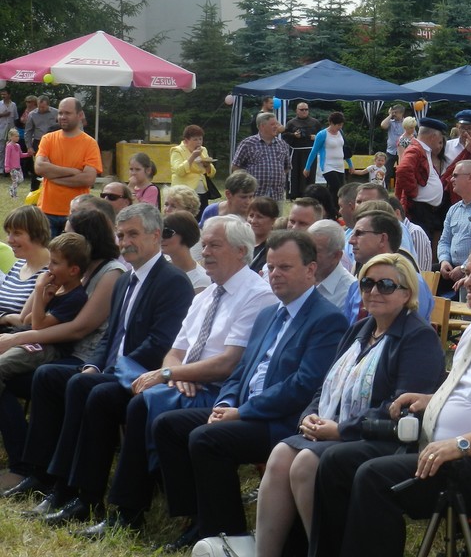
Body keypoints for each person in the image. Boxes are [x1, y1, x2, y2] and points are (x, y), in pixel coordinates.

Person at [308, 241, 471, 557]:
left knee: (374, 477)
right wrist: (431, 399)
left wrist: (459, 445)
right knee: (336, 462)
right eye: (467, 272)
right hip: (452, 454)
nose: (466, 280)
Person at [68, 215, 278, 537]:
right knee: (104, 395)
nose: (204, 251)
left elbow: (229, 363)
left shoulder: (257, 295)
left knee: (142, 405)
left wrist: (169, 374)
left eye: (214, 245)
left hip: (219, 390)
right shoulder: (206, 295)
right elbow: (175, 349)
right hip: (184, 383)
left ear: (240, 251)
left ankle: (130, 511)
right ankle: (84, 495)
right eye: (203, 244)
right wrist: (173, 374)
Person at [152, 230, 348, 548]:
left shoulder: (328, 319)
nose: (274, 275)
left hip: (282, 421)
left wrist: (241, 412)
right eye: (270, 267)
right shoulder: (269, 313)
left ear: (311, 270)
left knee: (207, 439)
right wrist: (227, 400)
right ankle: (196, 518)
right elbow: (242, 370)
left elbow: (303, 385)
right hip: (244, 409)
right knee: (169, 424)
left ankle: (227, 534)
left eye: (285, 267)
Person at [8, 205, 193, 521]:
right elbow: (110, 337)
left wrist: (109, 370)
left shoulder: (171, 281)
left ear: (155, 235)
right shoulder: (126, 281)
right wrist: (95, 365)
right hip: (113, 370)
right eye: (121, 235)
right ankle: (44, 475)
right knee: (50, 376)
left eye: (133, 234)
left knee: (86, 387)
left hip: (143, 375)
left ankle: (82, 495)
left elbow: (161, 343)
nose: (125, 242)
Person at [254, 252, 445, 557]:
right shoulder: (360, 330)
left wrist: (341, 430)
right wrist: (310, 416)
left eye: (385, 285)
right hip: (336, 428)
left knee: (305, 463)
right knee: (280, 456)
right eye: (367, 283)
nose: (373, 291)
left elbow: (400, 407)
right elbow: (326, 385)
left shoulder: (418, 338)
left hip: (386, 438)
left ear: (407, 293)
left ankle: (325, 550)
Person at [0, 233, 89, 394]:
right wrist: (44, 299)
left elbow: (37, 325)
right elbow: (27, 321)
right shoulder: (57, 289)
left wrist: (39, 287)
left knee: (1, 366)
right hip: (29, 337)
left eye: (54, 263)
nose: (49, 268)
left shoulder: (76, 297)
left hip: (46, 348)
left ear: (73, 270)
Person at [35, 97, 102, 236]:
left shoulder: (90, 144)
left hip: (77, 214)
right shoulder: (48, 139)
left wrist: (52, 176)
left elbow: (88, 179)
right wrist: (73, 171)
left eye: (67, 113)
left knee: (73, 257)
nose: (62, 117)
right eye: (60, 113)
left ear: (80, 115)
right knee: (47, 256)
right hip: (47, 211)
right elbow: (40, 168)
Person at [394, 117, 447, 243]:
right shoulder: (416, 149)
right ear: (433, 137)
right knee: (420, 243)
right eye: (439, 140)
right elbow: (403, 170)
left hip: (425, 209)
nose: (440, 144)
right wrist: (413, 192)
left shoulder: (422, 150)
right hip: (420, 210)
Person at [438, 160, 471, 288]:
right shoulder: (453, 209)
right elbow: (444, 241)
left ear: (470, 177)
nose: (451, 179)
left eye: (455, 175)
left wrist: (464, 267)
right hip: (451, 270)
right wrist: (444, 260)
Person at [233, 112, 290, 202]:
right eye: (272, 124)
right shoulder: (248, 143)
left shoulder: (282, 144)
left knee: (276, 216)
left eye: (277, 124)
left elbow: (287, 167)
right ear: (262, 126)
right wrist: (245, 185)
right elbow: (236, 167)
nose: (276, 127)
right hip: (254, 195)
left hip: (276, 195)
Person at [306, 220, 357, 310]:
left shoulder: (350, 293)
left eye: (315, 251)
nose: (307, 255)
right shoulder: (299, 278)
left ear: (336, 256)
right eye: (306, 248)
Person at [170, 125, 216, 213]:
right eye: (195, 139)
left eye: (200, 139)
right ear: (186, 141)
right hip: (184, 192)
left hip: (202, 191)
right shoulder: (177, 151)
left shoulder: (203, 150)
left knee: (200, 216)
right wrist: (192, 157)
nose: (199, 142)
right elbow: (179, 171)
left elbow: (212, 173)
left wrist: (207, 165)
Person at [161, 211, 208, 293]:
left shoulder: (201, 280)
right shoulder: (160, 269)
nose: (161, 238)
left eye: (166, 233)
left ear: (185, 234)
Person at [304, 111, 347, 202]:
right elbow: (314, 151)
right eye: (338, 125)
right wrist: (307, 167)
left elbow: (344, 149)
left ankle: (333, 207)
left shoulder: (340, 133)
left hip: (339, 164)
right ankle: (331, 207)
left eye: (341, 125)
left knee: (339, 189)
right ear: (331, 123)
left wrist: (350, 164)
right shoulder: (322, 134)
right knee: (335, 186)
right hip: (328, 165)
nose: (339, 127)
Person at [283, 102, 321, 200]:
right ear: (297, 111)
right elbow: (284, 136)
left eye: (306, 109)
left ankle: (310, 195)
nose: (304, 111)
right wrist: (294, 135)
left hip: (310, 152)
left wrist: (316, 137)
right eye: (302, 110)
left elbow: (321, 136)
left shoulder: (315, 122)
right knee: (295, 174)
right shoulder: (291, 123)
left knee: (309, 174)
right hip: (296, 152)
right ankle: (293, 194)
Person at [24, 95, 58, 192]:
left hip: (54, 141)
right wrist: (29, 146)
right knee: (38, 167)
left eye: (43, 107)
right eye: (39, 106)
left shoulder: (56, 112)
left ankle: (52, 188)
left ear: (48, 105)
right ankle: (33, 189)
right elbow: (28, 131)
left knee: (55, 165)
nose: (41, 109)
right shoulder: (32, 114)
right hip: (39, 141)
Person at [379, 104, 406, 189]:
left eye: (396, 113)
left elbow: (413, 136)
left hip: (403, 151)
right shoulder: (391, 122)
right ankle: (384, 189)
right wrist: (390, 115)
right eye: (393, 112)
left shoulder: (406, 122)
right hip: (390, 151)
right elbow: (383, 125)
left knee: (403, 172)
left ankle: (402, 189)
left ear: (401, 113)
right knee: (386, 171)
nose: (394, 114)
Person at [4, 128, 28, 197]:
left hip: (18, 167)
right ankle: (14, 195)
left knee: (21, 179)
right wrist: (7, 166)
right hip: (12, 168)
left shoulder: (18, 146)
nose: (18, 138)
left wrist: (28, 154)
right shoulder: (9, 146)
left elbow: (20, 155)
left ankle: (12, 188)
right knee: (15, 180)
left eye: (18, 136)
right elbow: (7, 157)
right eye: (16, 136)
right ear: (11, 137)